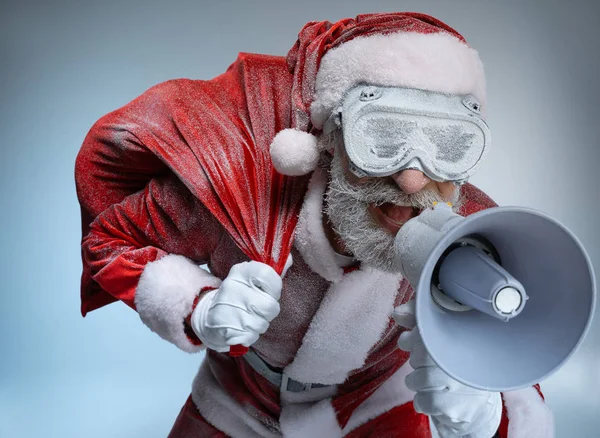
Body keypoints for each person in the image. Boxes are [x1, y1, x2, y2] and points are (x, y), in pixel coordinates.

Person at [76, 12, 553, 438]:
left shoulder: (480, 234)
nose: (412, 180)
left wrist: (486, 413)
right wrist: (199, 305)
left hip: (378, 405)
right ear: (326, 140)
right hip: (235, 403)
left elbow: (522, 354)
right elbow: (110, 240)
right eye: (381, 137)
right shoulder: (234, 189)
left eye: (448, 144)